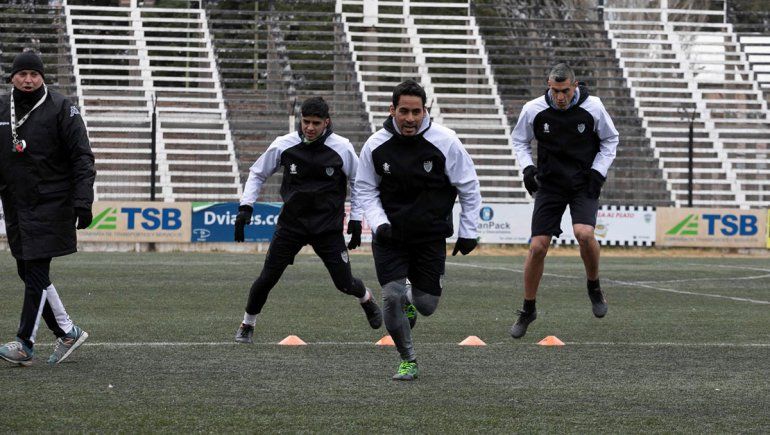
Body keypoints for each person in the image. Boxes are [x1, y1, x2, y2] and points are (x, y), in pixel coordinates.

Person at [355, 80, 482, 381]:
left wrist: (469, 230)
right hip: (390, 237)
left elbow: (469, 186)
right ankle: (407, 359)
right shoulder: (375, 145)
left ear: (426, 110)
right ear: (392, 110)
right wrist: (379, 222)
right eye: (404, 111)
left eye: (417, 111)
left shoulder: (446, 141)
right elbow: (365, 189)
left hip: (429, 236)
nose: (410, 119)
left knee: (426, 305)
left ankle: (411, 304)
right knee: (391, 296)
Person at [233, 96, 382, 343]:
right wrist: (246, 207)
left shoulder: (342, 147)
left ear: (327, 122)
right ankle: (247, 324)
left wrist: (356, 219)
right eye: (306, 122)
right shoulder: (284, 144)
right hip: (292, 225)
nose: (310, 128)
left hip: (327, 228)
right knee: (267, 279)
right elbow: (257, 173)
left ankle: (366, 298)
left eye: (315, 123)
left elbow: (359, 181)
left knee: (344, 283)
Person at [509, 63, 618, 339]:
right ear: (549, 85)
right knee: (537, 247)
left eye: (565, 91)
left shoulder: (593, 107)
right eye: (555, 90)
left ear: (575, 86)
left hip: (583, 183)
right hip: (550, 185)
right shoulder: (533, 109)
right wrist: (527, 168)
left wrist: (598, 172)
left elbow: (610, 140)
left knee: (584, 233)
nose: (560, 97)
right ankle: (528, 308)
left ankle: (594, 286)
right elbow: (520, 141)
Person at [0, 51, 94, 366]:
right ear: (12, 77)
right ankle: (67, 331)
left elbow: (82, 157)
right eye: (22, 74)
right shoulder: (3, 106)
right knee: (26, 269)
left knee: (37, 268)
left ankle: (25, 343)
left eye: (34, 74)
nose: (28, 80)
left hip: (53, 201)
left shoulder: (61, 108)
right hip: (15, 202)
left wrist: (83, 200)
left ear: (43, 77)